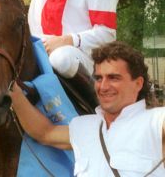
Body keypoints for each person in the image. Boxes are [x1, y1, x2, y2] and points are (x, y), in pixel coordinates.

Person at [10, 41, 165, 176]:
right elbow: (44, 132)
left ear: (138, 83)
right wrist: (12, 89)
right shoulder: (82, 126)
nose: (103, 86)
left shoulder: (156, 121)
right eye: (98, 78)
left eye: (113, 78)